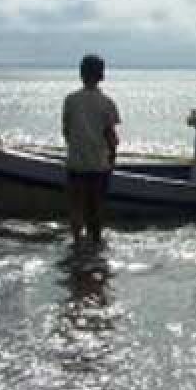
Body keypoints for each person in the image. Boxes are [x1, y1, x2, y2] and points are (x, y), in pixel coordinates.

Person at [62, 54, 121, 248]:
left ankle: (77, 243)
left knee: (76, 206)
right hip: (98, 163)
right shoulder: (107, 103)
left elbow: (66, 131)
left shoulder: (70, 100)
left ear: (81, 74)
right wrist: (112, 157)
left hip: (76, 162)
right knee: (95, 207)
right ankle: (95, 244)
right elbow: (110, 136)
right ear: (102, 75)